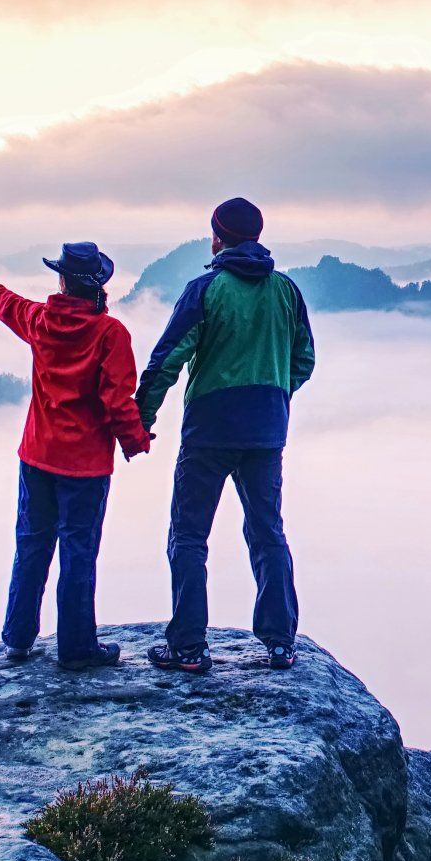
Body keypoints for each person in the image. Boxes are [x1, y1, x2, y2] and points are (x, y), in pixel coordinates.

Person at [136, 197, 314, 673]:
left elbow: (166, 360)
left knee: (189, 535)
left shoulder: (205, 289)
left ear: (218, 237)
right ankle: (281, 643)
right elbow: (304, 361)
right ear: (257, 236)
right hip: (266, 432)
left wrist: (140, 420)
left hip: (208, 432)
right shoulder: (287, 292)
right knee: (267, 531)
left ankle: (189, 648)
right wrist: (272, 395)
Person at [0, 242, 151, 669]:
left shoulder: (41, 321)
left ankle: (17, 638)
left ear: (62, 280)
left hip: (37, 455)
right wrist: (135, 440)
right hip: (85, 466)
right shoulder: (110, 334)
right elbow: (117, 398)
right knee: (78, 551)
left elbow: (8, 305)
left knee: (32, 544)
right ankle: (76, 648)